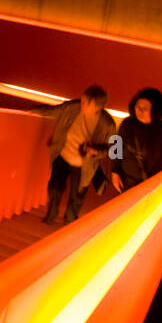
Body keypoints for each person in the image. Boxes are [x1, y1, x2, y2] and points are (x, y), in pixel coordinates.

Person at [28, 86, 117, 225]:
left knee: (77, 194)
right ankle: (51, 214)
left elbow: (114, 149)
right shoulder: (72, 108)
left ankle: (70, 221)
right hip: (62, 154)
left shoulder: (108, 124)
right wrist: (34, 110)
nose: (81, 103)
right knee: (54, 188)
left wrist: (95, 151)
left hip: (84, 164)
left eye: (85, 102)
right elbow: (54, 111)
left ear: (95, 106)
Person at [110, 88, 162, 193]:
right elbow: (116, 147)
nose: (140, 111)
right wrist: (114, 171)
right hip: (127, 180)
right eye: (138, 107)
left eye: (145, 108)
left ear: (154, 110)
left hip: (148, 182)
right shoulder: (127, 123)